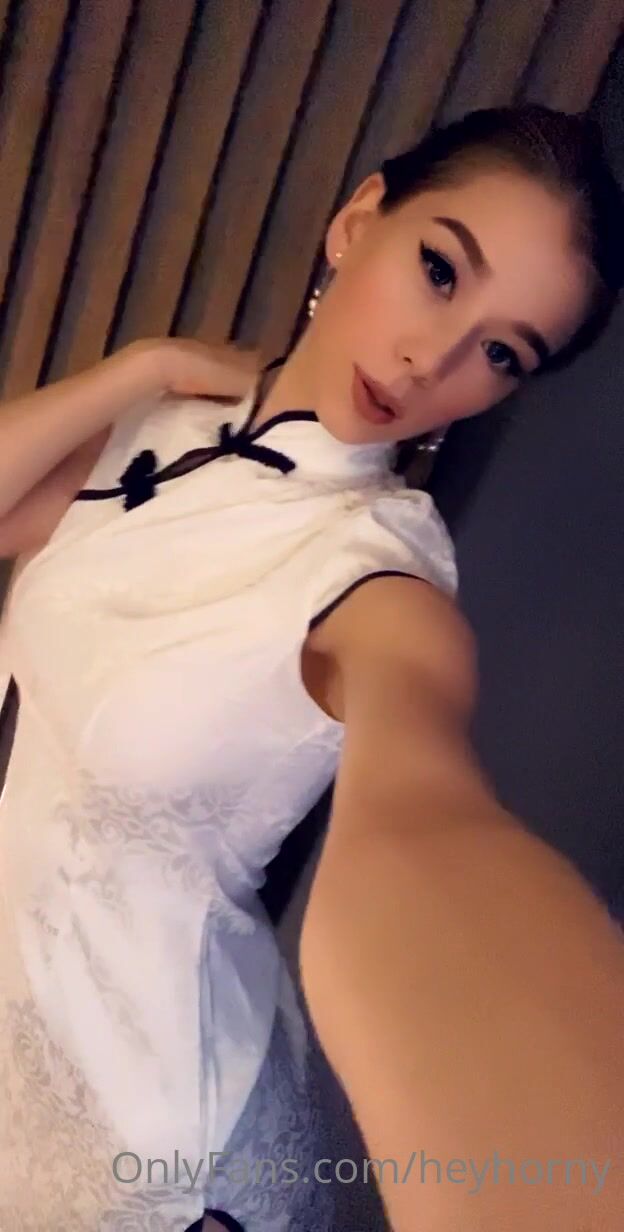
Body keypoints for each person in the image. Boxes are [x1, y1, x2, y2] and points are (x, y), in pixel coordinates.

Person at [0, 104, 623, 1232]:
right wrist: (143, 366)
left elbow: (427, 814)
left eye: (501, 353)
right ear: (358, 220)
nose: (432, 359)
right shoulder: (168, 426)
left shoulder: (379, 574)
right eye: (440, 270)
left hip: (173, 1160)